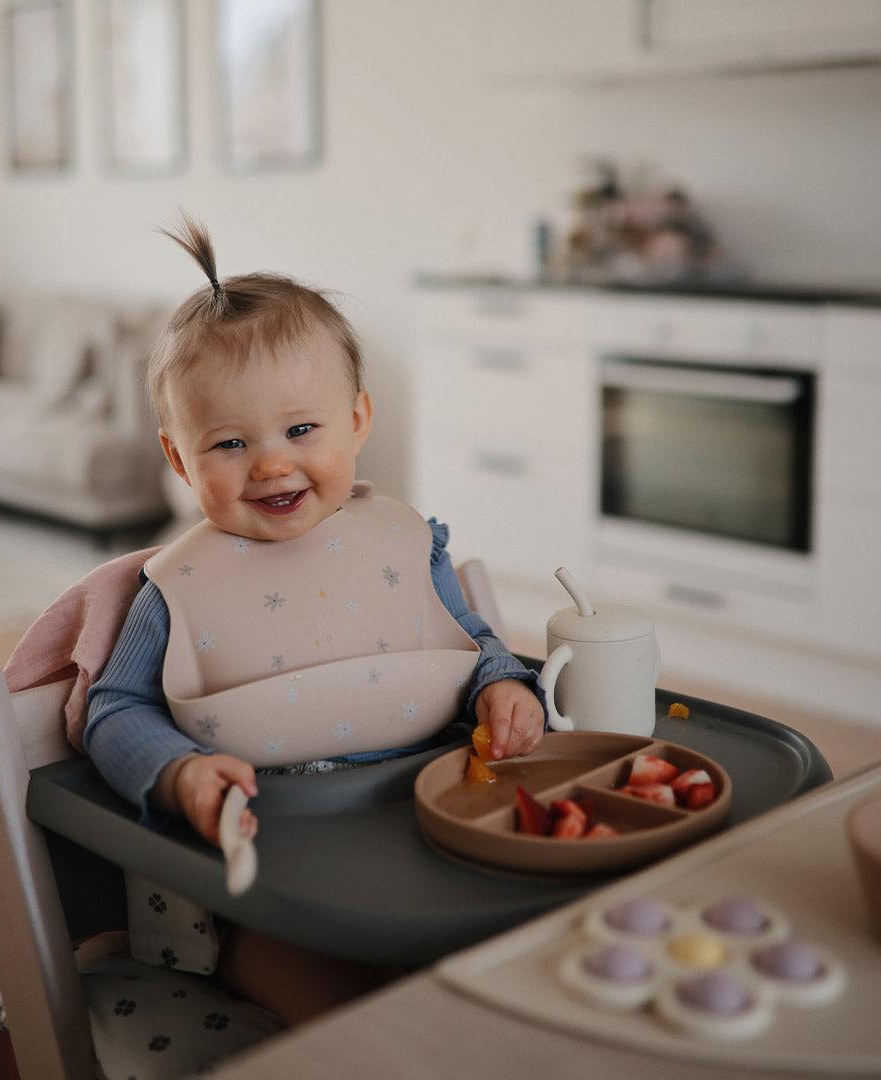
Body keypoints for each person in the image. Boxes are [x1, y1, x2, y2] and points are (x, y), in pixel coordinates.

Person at [84, 213, 547, 1026]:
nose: (271, 462)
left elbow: (463, 639)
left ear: (359, 420)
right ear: (177, 458)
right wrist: (180, 774)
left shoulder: (404, 543)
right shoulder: (178, 588)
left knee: (524, 960)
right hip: (268, 872)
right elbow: (114, 709)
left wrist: (501, 684)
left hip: (427, 822)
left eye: (302, 429)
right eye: (228, 443)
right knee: (369, 1017)